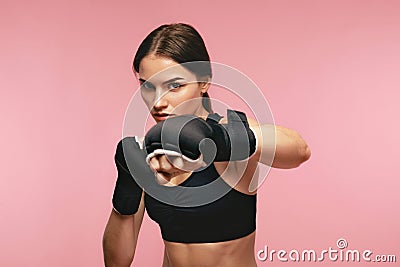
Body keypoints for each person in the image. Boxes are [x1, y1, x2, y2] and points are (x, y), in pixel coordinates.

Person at [102, 23, 311, 267]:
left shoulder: (230, 132)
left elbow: (299, 150)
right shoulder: (150, 152)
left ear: (204, 81)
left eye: (174, 85)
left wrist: (220, 140)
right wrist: (125, 193)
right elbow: (117, 262)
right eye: (148, 86)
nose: (158, 102)